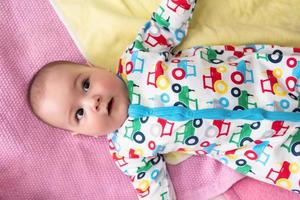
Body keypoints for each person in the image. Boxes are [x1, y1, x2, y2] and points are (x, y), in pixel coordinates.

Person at [28, 0, 300, 199]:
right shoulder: (128, 151)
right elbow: (153, 188)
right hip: (262, 145)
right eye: (79, 113)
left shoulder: (138, 58)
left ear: (93, 67)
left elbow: (166, 23)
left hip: (267, 76)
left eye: (86, 84)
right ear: (81, 133)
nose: (93, 102)